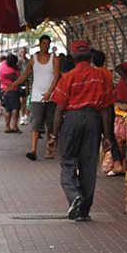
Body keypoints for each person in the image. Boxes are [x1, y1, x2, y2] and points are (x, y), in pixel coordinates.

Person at [46, 40, 120, 221]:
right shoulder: (101, 76)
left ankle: (73, 195)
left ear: (72, 57)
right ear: (90, 55)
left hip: (72, 119)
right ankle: (84, 211)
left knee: (68, 161)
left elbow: (59, 109)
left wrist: (54, 135)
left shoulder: (67, 77)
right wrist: (107, 136)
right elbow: (106, 109)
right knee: (88, 165)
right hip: (93, 120)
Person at [11, 35, 61, 160]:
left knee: (50, 124)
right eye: (44, 43)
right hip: (36, 96)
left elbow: (57, 76)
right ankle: (33, 150)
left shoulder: (54, 59)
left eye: (48, 44)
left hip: (52, 97)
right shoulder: (33, 59)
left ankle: (48, 150)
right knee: (36, 122)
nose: (46, 46)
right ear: (39, 44)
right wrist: (13, 85)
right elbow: (25, 75)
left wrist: (50, 92)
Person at [0, 54, 24, 134]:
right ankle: (14, 126)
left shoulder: (3, 64)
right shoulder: (8, 70)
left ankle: (7, 126)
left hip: (4, 89)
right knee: (16, 107)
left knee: (8, 108)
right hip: (12, 90)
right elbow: (17, 80)